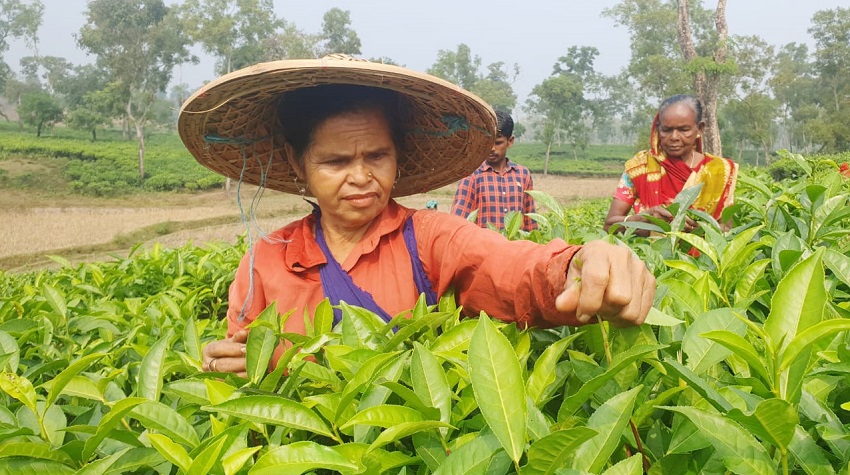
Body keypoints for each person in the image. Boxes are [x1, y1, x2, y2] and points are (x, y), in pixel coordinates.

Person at [178, 55, 655, 375]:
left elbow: (509, 266)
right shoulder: (266, 259)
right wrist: (223, 366)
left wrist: (577, 266)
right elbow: (239, 360)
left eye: (377, 156)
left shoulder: (428, 238)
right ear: (297, 160)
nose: (361, 177)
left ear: (398, 154)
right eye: (336, 162)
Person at [603, 94, 738, 235]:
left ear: (700, 129)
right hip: (648, 255)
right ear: (657, 129)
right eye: (667, 130)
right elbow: (609, 225)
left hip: (703, 256)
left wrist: (697, 230)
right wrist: (648, 219)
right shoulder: (640, 167)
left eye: (684, 130)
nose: (674, 137)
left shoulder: (720, 171)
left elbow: (726, 229)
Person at [450, 110, 538, 232]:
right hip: (483, 249)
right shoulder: (472, 175)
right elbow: (458, 220)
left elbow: (530, 222)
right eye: (487, 142)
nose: (491, 148)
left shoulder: (523, 175)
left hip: (515, 249)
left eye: (498, 143)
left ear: (510, 141)